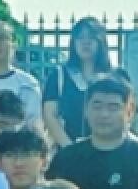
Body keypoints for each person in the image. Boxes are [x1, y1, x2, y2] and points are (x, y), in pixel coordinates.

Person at [42, 16, 118, 146]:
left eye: (91, 37)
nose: (85, 42)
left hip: (109, 149)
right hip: (68, 150)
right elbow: (49, 115)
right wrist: (71, 148)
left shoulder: (115, 76)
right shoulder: (59, 75)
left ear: (101, 42)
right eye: (80, 38)